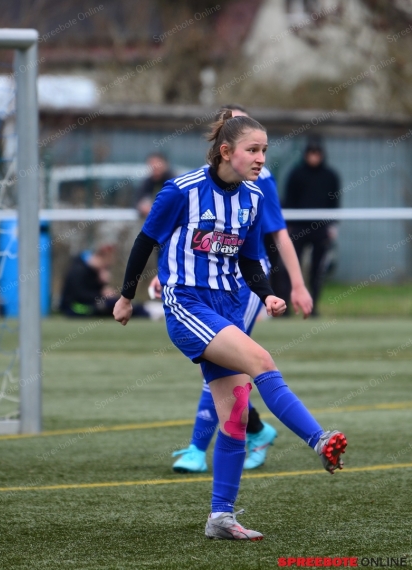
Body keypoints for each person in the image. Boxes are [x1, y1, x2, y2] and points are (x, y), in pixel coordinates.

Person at [113, 111, 347, 540]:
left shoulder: (253, 198)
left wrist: (266, 293)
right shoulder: (181, 191)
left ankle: (220, 517)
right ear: (226, 152)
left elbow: (247, 260)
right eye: (253, 150)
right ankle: (319, 438)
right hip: (186, 304)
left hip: (226, 308)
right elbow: (145, 241)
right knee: (261, 359)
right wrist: (126, 297)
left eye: (264, 150)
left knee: (236, 415)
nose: (261, 159)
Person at [151, 105, 314, 474]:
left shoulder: (259, 182)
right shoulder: (206, 181)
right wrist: (168, 272)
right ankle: (252, 434)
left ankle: (200, 447)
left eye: (262, 148)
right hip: (202, 287)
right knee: (225, 368)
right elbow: (188, 237)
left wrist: (297, 284)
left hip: (242, 287)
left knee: (239, 365)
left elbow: (278, 233)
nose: (258, 155)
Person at [283, 136, 340, 316]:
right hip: (298, 227)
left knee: (317, 270)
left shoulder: (330, 176)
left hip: (321, 228)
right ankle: (286, 308)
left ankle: (312, 307)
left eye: (317, 153)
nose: (314, 157)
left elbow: (335, 202)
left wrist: (333, 227)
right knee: (291, 268)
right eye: (311, 153)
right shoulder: (296, 173)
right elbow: (288, 199)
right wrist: (288, 225)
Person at [59, 243, 161, 319]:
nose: (106, 269)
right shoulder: (78, 270)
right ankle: (148, 312)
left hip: (88, 302)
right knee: (110, 304)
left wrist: (102, 284)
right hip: (74, 308)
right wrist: (101, 294)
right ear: (99, 258)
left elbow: (92, 291)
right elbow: (80, 294)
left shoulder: (93, 271)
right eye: (106, 265)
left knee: (113, 302)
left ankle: (146, 309)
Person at [133, 152, 174, 218]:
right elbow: (137, 200)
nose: (154, 166)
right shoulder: (147, 182)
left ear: (165, 164)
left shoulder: (173, 182)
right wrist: (142, 206)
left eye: (157, 163)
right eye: (151, 163)